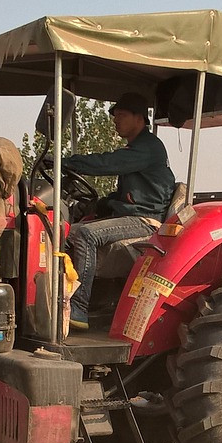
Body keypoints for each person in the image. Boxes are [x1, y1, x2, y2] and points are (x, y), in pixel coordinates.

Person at [59, 92, 176, 330]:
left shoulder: (148, 147)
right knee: (69, 230)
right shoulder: (136, 149)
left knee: (84, 235)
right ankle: (71, 299)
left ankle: (79, 309)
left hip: (145, 220)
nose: (115, 120)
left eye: (121, 115)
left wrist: (68, 162)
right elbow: (126, 196)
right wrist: (100, 204)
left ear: (139, 118)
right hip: (129, 214)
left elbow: (108, 163)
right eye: (115, 116)